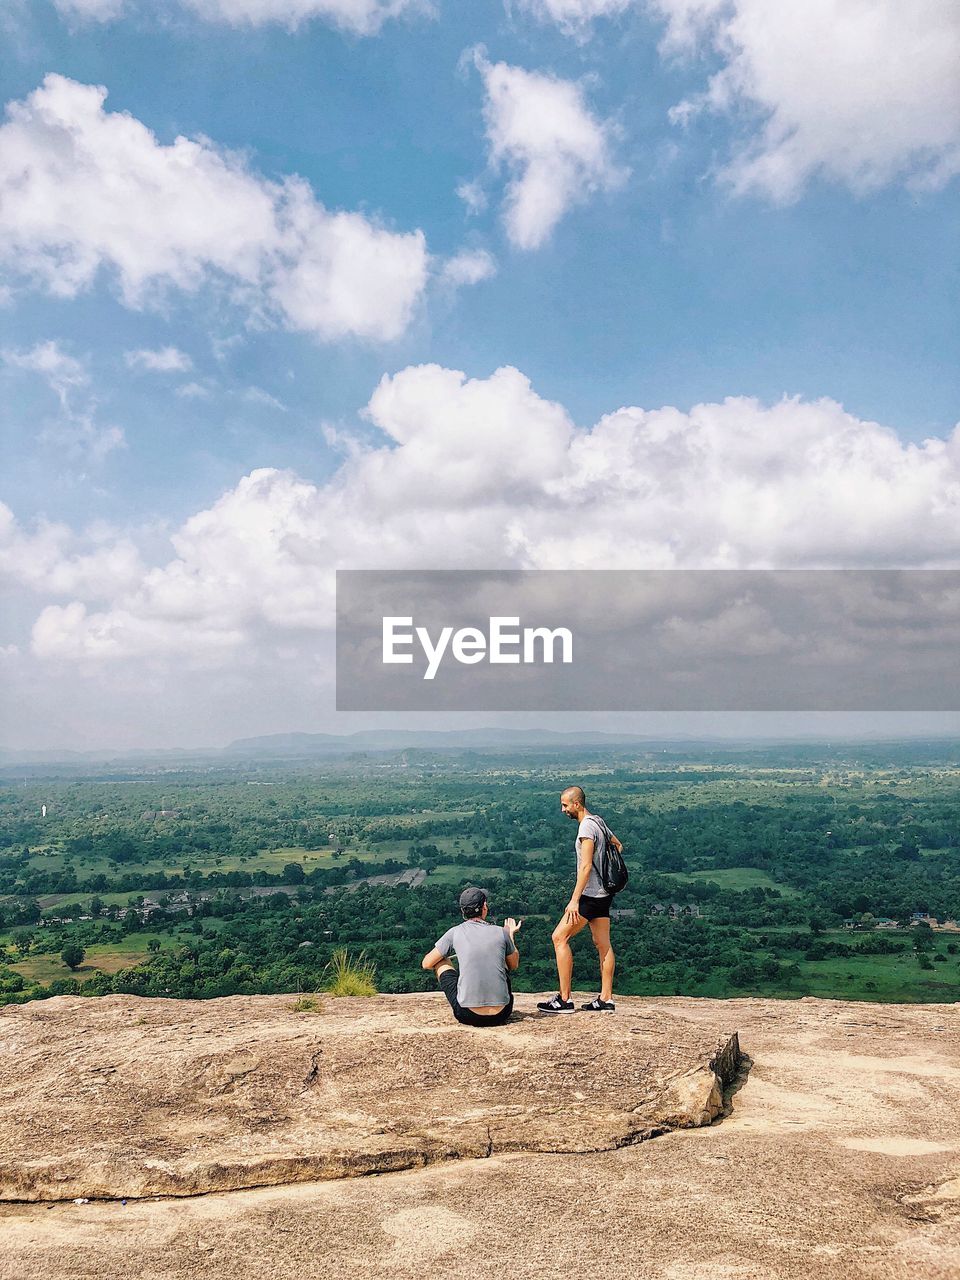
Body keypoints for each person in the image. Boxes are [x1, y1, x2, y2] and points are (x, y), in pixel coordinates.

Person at [537, 785, 622, 1014]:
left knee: (559, 937)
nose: (563, 809)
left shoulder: (586, 827)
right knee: (603, 944)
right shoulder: (599, 821)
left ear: (577, 804)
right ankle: (606, 999)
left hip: (589, 896)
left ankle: (564, 1000)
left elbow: (585, 867)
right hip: (604, 894)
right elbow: (618, 845)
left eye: (565, 805)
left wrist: (575, 900)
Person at [421, 886, 522, 1027]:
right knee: (501, 958)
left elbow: (426, 963)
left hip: (468, 1015)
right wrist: (510, 935)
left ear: (463, 911)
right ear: (484, 907)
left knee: (440, 960)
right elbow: (513, 965)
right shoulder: (501, 932)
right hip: (502, 1014)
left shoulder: (454, 932)